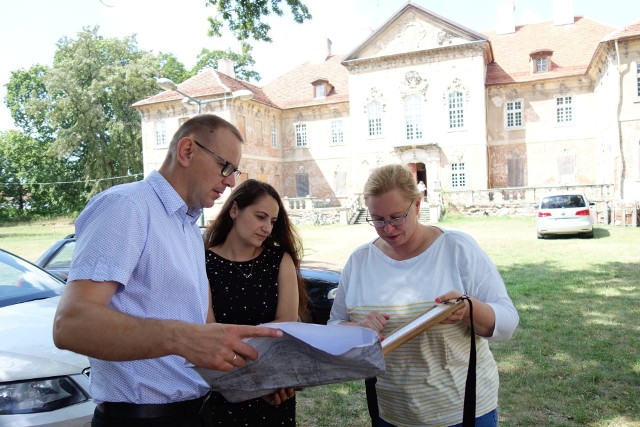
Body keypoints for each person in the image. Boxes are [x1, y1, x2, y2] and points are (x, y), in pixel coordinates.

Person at [53, 114, 283, 427]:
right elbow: (72, 324)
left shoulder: (188, 229)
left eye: (234, 171)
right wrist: (180, 338)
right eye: (225, 167)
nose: (231, 182)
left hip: (196, 413)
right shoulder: (127, 206)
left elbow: (201, 342)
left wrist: (253, 384)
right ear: (187, 151)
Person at [328, 164, 519, 427]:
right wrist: (358, 328)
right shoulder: (360, 260)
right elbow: (335, 324)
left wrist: (469, 309)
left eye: (396, 217)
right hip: (392, 413)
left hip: (462, 412)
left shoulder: (456, 248)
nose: (388, 229)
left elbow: (508, 322)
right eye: (377, 219)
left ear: (417, 205)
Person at [202, 179, 307, 426]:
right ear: (235, 210)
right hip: (224, 387)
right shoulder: (203, 261)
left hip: (273, 387)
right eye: (260, 217)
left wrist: (265, 380)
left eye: (272, 221)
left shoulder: (279, 259)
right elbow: (209, 330)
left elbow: (287, 324)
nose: (267, 228)